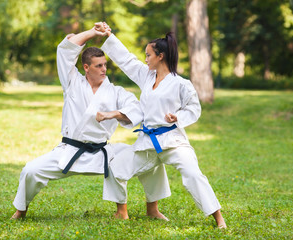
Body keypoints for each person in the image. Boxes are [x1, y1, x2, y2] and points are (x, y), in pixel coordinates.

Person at [11, 23, 171, 219]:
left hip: (103, 152)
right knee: (30, 170)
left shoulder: (115, 91)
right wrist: (93, 33)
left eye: (105, 65)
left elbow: (136, 109)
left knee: (149, 157)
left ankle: (153, 209)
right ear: (86, 67)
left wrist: (113, 114)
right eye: (99, 66)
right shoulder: (71, 82)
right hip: (70, 151)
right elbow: (65, 50)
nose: (104, 69)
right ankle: (21, 210)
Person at [97, 22, 227, 228]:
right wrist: (109, 36)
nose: (145, 59)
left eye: (148, 55)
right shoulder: (146, 76)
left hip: (173, 142)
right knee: (116, 168)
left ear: (161, 56)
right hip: (147, 142)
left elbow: (194, 109)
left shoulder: (181, 83)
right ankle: (125, 212)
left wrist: (178, 117)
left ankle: (218, 217)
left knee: (192, 174)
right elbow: (127, 60)